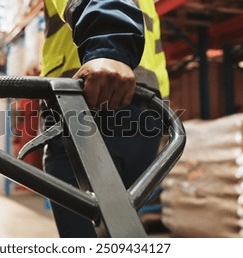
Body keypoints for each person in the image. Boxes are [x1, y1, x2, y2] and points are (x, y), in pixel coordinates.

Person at [41, 0, 170, 237]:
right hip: (132, 106)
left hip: (94, 95)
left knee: (99, 233)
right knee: (115, 228)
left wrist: (108, 47)